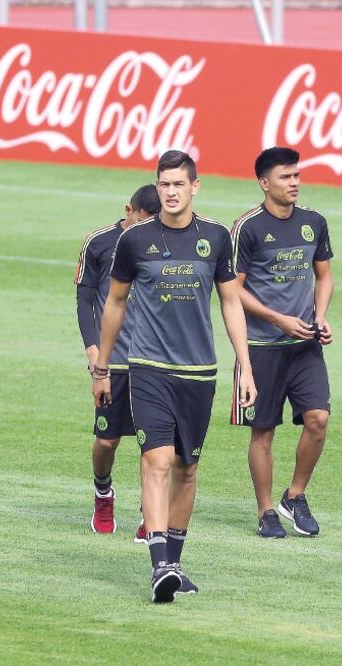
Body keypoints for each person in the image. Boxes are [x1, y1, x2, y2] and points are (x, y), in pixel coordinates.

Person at [91, 150, 256, 603]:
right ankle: (159, 563)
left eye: (178, 184)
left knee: (187, 467)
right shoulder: (135, 241)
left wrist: (244, 365)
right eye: (164, 184)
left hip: (199, 373)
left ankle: (175, 563)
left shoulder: (217, 238)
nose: (170, 192)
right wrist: (102, 367)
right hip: (149, 368)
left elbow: (229, 302)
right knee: (157, 461)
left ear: (195, 186)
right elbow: (115, 303)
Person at [230, 147, 334, 539]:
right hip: (260, 347)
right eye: (285, 177)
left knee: (318, 420)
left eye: (296, 175)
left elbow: (324, 276)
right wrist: (277, 319)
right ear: (264, 183)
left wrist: (319, 315)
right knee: (264, 431)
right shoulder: (247, 228)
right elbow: (232, 292)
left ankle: (295, 494)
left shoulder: (313, 222)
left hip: (305, 345)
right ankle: (265, 510)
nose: (294, 183)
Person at [74, 184, 159, 540]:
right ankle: (103, 492)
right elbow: (84, 298)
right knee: (107, 441)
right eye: (143, 218)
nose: (149, 227)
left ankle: (150, 515)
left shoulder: (165, 242)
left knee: (154, 445)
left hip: (153, 362)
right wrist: (95, 355)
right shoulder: (99, 242)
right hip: (113, 362)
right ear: (129, 210)